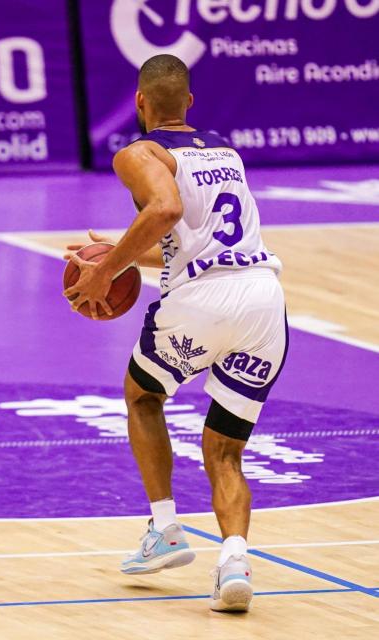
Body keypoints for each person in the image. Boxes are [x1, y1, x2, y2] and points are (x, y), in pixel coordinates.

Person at [63, 54, 287, 612]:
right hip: (263, 300)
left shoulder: (137, 151)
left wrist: (105, 268)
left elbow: (165, 209)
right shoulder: (225, 150)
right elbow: (194, 234)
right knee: (226, 452)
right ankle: (234, 561)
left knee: (143, 396)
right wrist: (120, 251)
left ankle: (164, 528)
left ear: (140, 102)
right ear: (189, 102)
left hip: (202, 302)